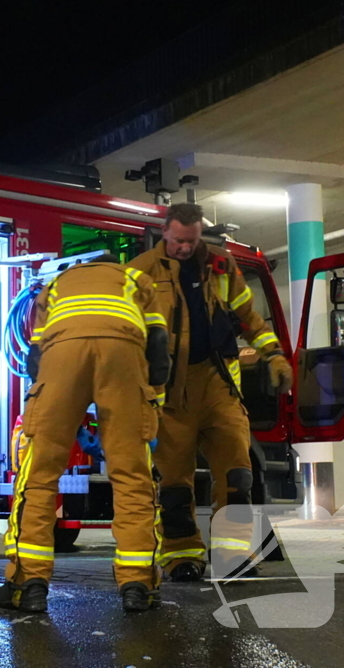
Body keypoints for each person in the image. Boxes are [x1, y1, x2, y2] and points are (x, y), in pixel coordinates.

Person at [0, 253, 171, 613]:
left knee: (39, 475)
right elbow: (158, 349)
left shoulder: (56, 285)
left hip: (61, 356)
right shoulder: (136, 280)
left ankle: (28, 584)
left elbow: (35, 358)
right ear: (114, 266)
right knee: (132, 477)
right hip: (123, 356)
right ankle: (138, 585)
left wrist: (61, 418)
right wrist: (152, 408)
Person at [127, 203, 293, 581]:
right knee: (174, 483)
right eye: (178, 240)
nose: (185, 247)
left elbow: (249, 318)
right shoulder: (140, 273)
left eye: (192, 240)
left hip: (218, 382)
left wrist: (273, 355)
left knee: (238, 473)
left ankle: (232, 556)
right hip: (170, 390)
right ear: (165, 232)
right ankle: (181, 556)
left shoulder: (221, 266)